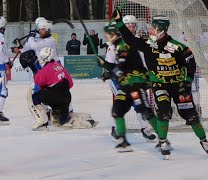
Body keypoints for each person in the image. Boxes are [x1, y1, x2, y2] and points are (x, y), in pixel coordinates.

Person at [113, 9, 208, 158]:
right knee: (163, 113)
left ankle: (204, 140)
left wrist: (188, 82)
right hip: (159, 85)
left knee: (191, 116)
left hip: (178, 85)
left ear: (160, 30)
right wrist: (119, 22)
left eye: (152, 28)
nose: (149, 30)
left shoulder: (176, 46)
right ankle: (163, 141)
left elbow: (191, 62)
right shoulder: (149, 44)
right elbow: (130, 39)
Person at [102, 24, 160, 152]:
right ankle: (122, 141)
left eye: (107, 34)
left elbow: (122, 66)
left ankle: (162, 138)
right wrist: (105, 65)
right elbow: (114, 64)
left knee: (144, 110)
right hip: (124, 84)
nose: (106, 36)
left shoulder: (124, 45)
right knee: (117, 110)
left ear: (112, 34)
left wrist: (111, 72)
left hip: (135, 82)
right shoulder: (114, 46)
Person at [29, 47, 98, 130]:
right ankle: (76, 119)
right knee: (63, 121)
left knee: (34, 98)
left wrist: (34, 68)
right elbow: (70, 84)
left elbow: (38, 83)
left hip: (55, 97)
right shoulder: (59, 65)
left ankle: (42, 121)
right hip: (67, 98)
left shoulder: (45, 70)